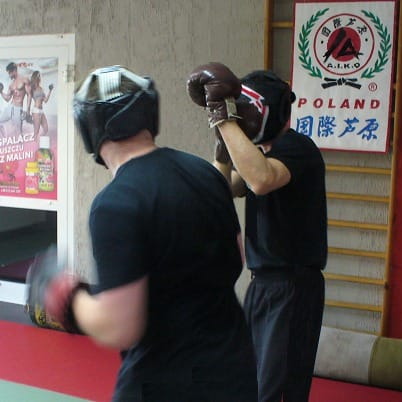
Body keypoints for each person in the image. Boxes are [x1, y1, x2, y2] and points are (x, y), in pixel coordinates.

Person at [27, 65, 257, 402]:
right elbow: (237, 256)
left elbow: (119, 328)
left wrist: (67, 296)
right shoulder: (205, 173)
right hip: (234, 369)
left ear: (90, 127)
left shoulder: (115, 203)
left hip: (166, 383)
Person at [188, 63, 328, 402]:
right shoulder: (261, 155)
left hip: (292, 286)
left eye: (245, 111)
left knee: (276, 389)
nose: (242, 119)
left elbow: (261, 180)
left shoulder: (298, 147)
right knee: (249, 383)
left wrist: (225, 119)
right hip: (262, 284)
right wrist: (223, 145)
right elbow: (221, 191)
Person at [0, 62, 32, 135]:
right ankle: (3, 137)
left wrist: (28, 110)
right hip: (10, 107)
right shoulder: (11, 84)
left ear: (14, 70)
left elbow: (29, 95)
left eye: (10, 73)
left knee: (18, 132)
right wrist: (1, 92)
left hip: (18, 109)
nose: (9, 75)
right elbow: (7, 98)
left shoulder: (24, 80)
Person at [30, 70, 54, 138]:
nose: (39, 77)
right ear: (35, 77)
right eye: (38, 75)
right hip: (36, 111)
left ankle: (38, 139)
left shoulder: (41, 88)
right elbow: (29, 97)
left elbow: (45, 100)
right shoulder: (32, 88)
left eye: (40, 76)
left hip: (41, 111)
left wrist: (50, 91)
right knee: (36, 131)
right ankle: (35, 141)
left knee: (46, 129)